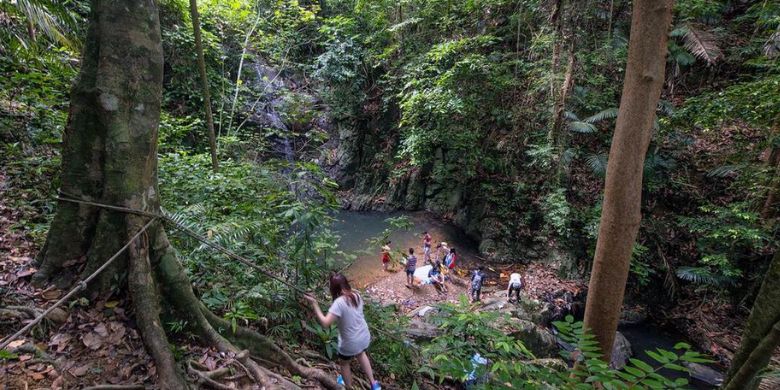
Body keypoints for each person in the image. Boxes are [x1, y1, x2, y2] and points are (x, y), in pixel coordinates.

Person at [304, 274, 382, 390]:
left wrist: (315, 304)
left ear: (333, 289)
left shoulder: (338, 303)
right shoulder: (356, 295)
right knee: (361, 353)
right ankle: (373, 383)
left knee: (344, 363)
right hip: (364, 336)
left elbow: (325, 323)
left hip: (350, 342)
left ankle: (348, 386)